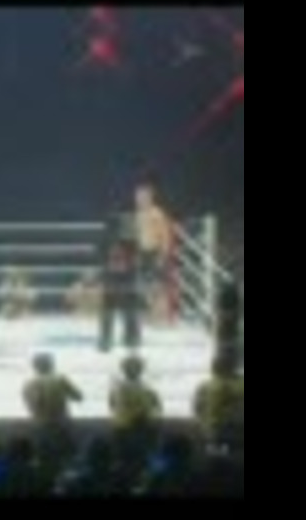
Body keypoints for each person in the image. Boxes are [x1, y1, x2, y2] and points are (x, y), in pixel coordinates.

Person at [23, 354, 83, 478]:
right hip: (61, 426)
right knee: (66, 460)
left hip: (40, 426)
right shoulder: (60, 380)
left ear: (35, 367)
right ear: (51, 365)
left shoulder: (28, 384)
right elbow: (78, 397)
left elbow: (30, 406)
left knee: (44, 461)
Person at [109, 355, 163, 472]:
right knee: (139, 463)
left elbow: (111, 405)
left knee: (124, 463)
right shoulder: (145, 388)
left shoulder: (117, 388)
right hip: (137, 430)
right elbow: (155, 407)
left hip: (122, 429)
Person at [134, 184, 176, 323]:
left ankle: (161, 317)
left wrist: (162, 255)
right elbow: (138, 236)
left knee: (157, 285)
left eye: (142, 197)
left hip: (155, 251)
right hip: (143, 252)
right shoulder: (138, 215)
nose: (139, 199)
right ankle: (152, 313)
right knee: (143, 285)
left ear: (150, 198)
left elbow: (165, 235)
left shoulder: (157, 213)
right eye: (137, 197)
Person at [193, 353, 244, 455]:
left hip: (212, 432)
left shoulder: (204, 386)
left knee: (216, 458)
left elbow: (197, 408)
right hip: (233, 432)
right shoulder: (240, 385)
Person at [99, 233, 141, 352]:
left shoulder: (131, 248)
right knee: (109, 306)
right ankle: (107, 337)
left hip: (127, 275)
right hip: (113, 276)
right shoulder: (107, 246)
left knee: (129, 306)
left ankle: (131, 337)